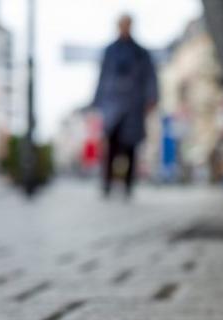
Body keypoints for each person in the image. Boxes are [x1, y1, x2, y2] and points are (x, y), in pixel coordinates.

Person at [93, 14, 157, 197]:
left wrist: (151, 98)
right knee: (111, 145)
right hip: (112, 104)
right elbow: (102, 77)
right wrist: (97, 103)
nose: (124, 28)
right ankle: (106, 183)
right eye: (122, 25)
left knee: (130, 146)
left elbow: (150, 77)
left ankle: (128, 185)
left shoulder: (141, 53)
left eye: (127, 25)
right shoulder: (110, 51)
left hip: (133, 104)